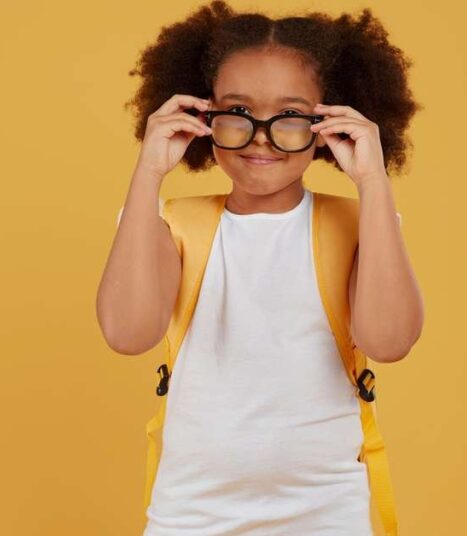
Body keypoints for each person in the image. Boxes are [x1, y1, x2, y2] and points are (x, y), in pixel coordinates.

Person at [95, 2, 425, 534]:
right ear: (203, 118)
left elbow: (388, 342)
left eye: (291, 117)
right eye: (238, 114)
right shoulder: (171, 224)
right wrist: (148, 172)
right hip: (191, 516)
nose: (263, 137)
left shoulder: (360, 223)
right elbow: (128, 333)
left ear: (326, 124)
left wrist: (373, 181)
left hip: (327, 515)